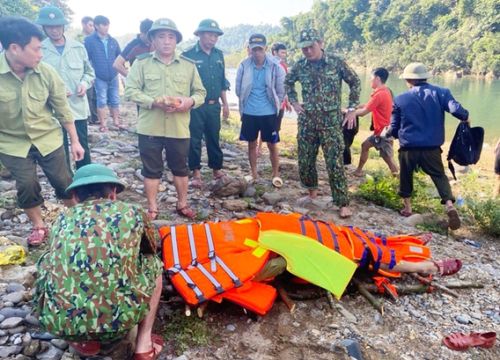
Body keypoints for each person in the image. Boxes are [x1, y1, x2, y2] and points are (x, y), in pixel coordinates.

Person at [35, 164, 163, 360]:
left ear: (76, 197)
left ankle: (80, 337)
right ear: (113, 193)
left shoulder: (61, 219)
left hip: (60, 324)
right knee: (154, 263)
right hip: (121, 321)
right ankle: (143, 346)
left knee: (48, 262)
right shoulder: (133, 212)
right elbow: (151, 248)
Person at [0, 16, 84, 246]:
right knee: (26, 185)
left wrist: (75, 141)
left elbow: (62, 109)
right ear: (15, 49)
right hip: (11, 143)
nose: (41, 54)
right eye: (36, 49)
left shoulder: (46, 72)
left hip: (48, 138)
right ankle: (38, 225)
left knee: (63, 181)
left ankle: (77, 220)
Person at [125, 18, 206, 220]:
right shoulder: (142, 63)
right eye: (161, 36)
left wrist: (189, 101)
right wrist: (153, 102)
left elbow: (200, 92)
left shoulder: (188, 65)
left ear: (176, 40)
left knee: (180, 168)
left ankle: (182, 203)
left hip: (178, 127)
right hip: (150, 127)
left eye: (171, 37)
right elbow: (130, 91)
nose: (166, 41)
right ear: (152, 39)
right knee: (151, 170)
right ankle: (152, 208)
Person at [285, 29, 361, 218]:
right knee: (305, 159)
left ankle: (342, 202)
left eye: (311, 46)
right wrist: (294, 102)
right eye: (304, 48)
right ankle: (312, 193)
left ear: (321, 43)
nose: (308, 51)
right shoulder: (300, 65)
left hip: (331, 121)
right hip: (307, 120)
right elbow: (288, 82)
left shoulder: (336, 62)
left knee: (334, 161)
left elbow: (355, 82)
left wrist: (352, 108)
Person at [389, 62, 469, 229]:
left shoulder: (400, 99)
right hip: (432, 148)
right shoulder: (441, 93)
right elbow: (458, 111)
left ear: (409, 80)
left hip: (408, 147)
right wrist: (466, 117)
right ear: (425, 77)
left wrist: (395, 135)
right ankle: (449, 205)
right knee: (439, 175)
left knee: (406, 175)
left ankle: (408, 208)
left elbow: (394, 128)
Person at [36, 6, 95, 171]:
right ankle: (66, 184)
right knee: (59, 148)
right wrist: (50, 92)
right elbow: (34, 79)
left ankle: (86, 180)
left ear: (63, 26)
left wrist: (84, 83)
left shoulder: (78, 48)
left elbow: (89, 73)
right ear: (44, 28)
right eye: (49, 27)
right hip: (51, 109)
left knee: (81, 144)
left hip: (77, 106)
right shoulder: (39, 50)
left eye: (57, 26)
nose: (54, 30)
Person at [182, 19, 230, 188]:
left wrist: (225, 104)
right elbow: (182, 83)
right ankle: (196, 172)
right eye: (210, 34)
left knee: (213, 137)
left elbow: (222, 81)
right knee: (194, 139)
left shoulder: (218, 55)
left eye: (216, 35)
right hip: (195, 106)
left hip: (213, 104)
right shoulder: (188, 55)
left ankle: (216, 169)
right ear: (200, 34)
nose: (213, 38)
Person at [235, 33, 285, 187]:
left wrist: (276, 105)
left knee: (271, 144)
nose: (257, 53)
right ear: (249, 49)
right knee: (251, 143)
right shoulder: (244, 65)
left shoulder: (275, 66)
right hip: (249, 112)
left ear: (266, 48)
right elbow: (238, 89)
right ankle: (254, 173)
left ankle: (276, 174)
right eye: (254, 49)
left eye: (260, 49)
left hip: (269, 112)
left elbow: (281, 90)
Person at [351, 67, 399, 177]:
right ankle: (358, 171)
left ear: (377, 78)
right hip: (384, 130)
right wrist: (354, 107)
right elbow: (369, 106)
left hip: (384, 132)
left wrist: (349, 113)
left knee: (388, 158)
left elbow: (363, 112)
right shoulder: (386, 91)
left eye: (371, 78)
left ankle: (400, 181)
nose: (369, 80)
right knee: (365, 146)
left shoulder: (379, 94)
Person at [84, 15, 124, 132]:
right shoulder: (89, 41)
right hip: (99, 76)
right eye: (104, 25)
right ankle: (103, 124)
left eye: (107, 25)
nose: (106, 27)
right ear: (96, 26)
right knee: (101, 99)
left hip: (113, 75)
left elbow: (119, 56)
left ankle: (116, 122)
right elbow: (86, 59)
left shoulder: (113, 41)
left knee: (115, 99)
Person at [78, 16, 99, 125]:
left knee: (95, 95)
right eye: (90, 25)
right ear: (83, 24)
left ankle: (95, 117)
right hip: (83, 71)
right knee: (88, 95)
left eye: (93, 26)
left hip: (94, 71)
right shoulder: (78, 39)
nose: (92, 28)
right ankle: (88, 117)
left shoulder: (95, 39)